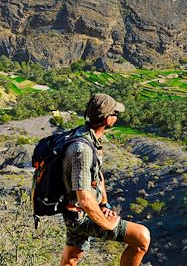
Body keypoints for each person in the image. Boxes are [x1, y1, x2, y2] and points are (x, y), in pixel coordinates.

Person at [59, 93, 151, 266]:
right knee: (141, 238)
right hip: (79, 214)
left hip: (75, 210)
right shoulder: (83, 150)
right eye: (115, 113)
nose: (117, 117)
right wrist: (106, 224)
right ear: (108, 120)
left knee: (72, 258)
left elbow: (97, 175)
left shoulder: (88, 136)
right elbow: (85, 199)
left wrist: (104, 205)